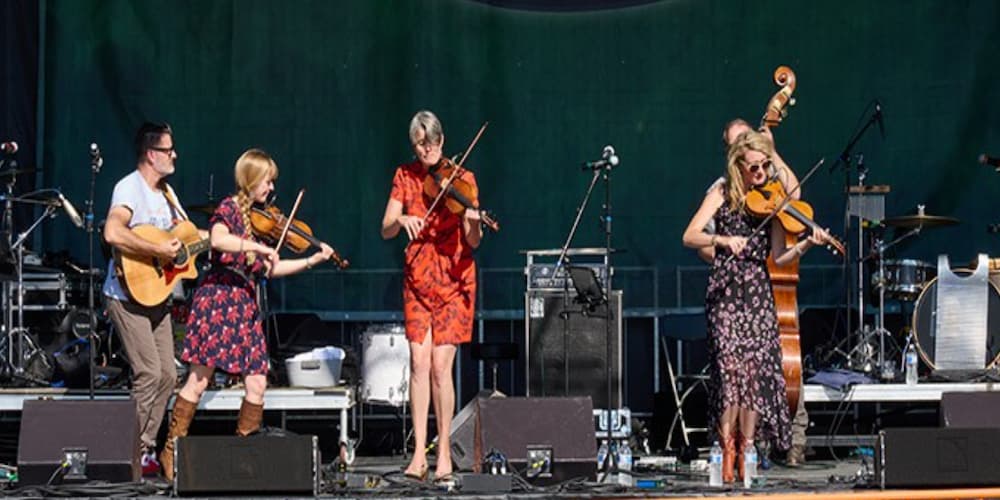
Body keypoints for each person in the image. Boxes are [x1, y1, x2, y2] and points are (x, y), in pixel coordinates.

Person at [157, 148, 334, 481]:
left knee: (257, 380)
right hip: (218, 301)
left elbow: (272, 268)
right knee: (198, 379)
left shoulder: (255, 222)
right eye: (267, 182)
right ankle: (170, 450)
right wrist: (254, 247)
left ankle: (245, 458)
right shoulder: (229, 209)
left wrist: (312, 260)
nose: (270, 189)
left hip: (243, 304)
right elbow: (219, 240)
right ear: (252, 180)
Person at [682, 130, 830, 483]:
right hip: (726, 291)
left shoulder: (773, 201)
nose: (762, 172)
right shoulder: (723, 193)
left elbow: (780, 256)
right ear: (739, 167)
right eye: (755, 167)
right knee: (730, 372)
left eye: (766, 165)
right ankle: (726, 446)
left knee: (752, 375)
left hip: (757, 291)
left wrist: (808, 243)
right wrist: (722, 239)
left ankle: (747, 448)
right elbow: (690, 235)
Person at [381, 110, 483, 483]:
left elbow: (473, 241)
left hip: (454, 280)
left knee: (442, 368)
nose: (425, 149)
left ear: (441, 140)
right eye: (419, 143)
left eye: (430, 142)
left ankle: (443, 455)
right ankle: (418, 454)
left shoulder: (463, 179)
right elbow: (386, 229)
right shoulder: (404, 176)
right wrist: (402, 220)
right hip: (418, 278)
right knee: (418, 364)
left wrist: (472, 220)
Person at [102, 122, 187, 476]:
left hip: (157, 296)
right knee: (149, 372)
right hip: (125, 295)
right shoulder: (129, 187)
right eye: (169, 150)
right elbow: (112, 231)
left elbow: (182, 240)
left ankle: (145, 449)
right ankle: (127, 453)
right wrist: (157, 248)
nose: (175, 155)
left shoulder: (167, 195)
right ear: (152, 154)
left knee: (168, 374)